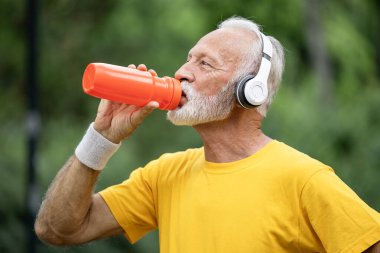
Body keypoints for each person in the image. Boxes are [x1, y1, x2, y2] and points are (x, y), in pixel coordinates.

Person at [34, 16, 380, 253]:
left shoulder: (304, 179)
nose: (182, 72)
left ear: (250, 90)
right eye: (188, 60)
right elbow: (57, 229)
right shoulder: (164, 175)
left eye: (204, 64)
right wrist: (102, 136)